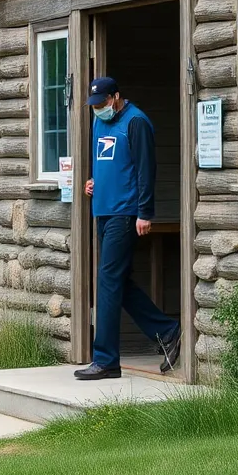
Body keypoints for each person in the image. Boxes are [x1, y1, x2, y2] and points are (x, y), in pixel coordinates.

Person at [75, 76, 181, 380]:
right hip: (103, 210)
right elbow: (104, 163)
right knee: (118, 282)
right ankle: (168, 331)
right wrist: (93, 182)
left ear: (116, 97)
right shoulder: (99, 122)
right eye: (93, 105)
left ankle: (106, 360)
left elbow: (146, 170)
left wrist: (145, 213)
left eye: (102, 103)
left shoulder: (137, 122)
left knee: (107, 281)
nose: (97, 109)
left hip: (125, 212)